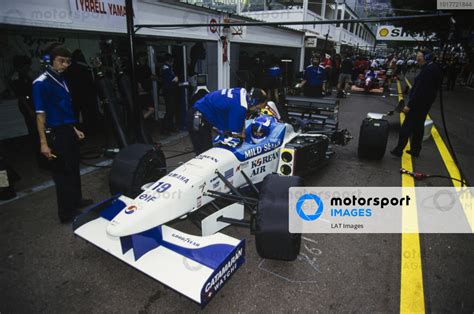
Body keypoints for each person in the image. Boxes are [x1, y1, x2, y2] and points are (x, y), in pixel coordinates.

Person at [32, 43, 92, 223]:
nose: (65, 65)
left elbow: (64, 109)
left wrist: (74, 128)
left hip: (68, 129)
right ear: (50, 60)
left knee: (73, 167)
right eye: (61, 61)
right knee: (62, 173)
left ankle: (76, 200)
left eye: (67, 62)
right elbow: (40, 116)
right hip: (55, 132)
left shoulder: (62, 78)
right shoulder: (41, 83)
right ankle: (66, 213)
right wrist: (43, 143)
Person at [390, 49, 442, 158]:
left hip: (418, 104)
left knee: (406, 127)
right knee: (418, 128)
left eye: (419, 56)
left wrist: (410, 105)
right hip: (425, 104)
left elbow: (421, 90)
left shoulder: (428, 70)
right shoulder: (433, 68)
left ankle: (399, 150)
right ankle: (415, 150)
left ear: (426, 57)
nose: (417, 59)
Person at [186, 87, 267, 155]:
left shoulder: (241, 91)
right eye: (258, 108)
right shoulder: (239, 108)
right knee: (205, 154)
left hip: (200, 112)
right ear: (254, 102)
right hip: (197, 118)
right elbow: (236, 135)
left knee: (207, 150)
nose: (257, 110)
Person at [64, 49, 101, 134]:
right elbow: (91, 82)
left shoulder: (70, 68)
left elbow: (67, 82)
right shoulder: (85, 67)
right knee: (88, 114)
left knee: (76, 116)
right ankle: (91, 131)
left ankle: (77, 132)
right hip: (86, 95)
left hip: (75, 95)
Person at [160, 53, 179, 135]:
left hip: (169, 91)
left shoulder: (167, 68)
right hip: (168, 92)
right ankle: (164, 129)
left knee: (171, 110)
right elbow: (175, 79)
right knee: (170, 111)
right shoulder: (166, 69)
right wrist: (176, 78)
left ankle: (170, 127)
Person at [135, 51, 156, 120]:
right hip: (142, 93)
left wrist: (158, 78)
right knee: (151, 109)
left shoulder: (146, 67)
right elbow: (137, 80)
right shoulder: (137, 68)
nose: (143, 60)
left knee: (146, 110)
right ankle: (139, 121)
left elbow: (150, 76)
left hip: (147, 92)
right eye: (142, 58)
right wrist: (140, 88)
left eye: (144, 58)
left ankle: (141, 122)